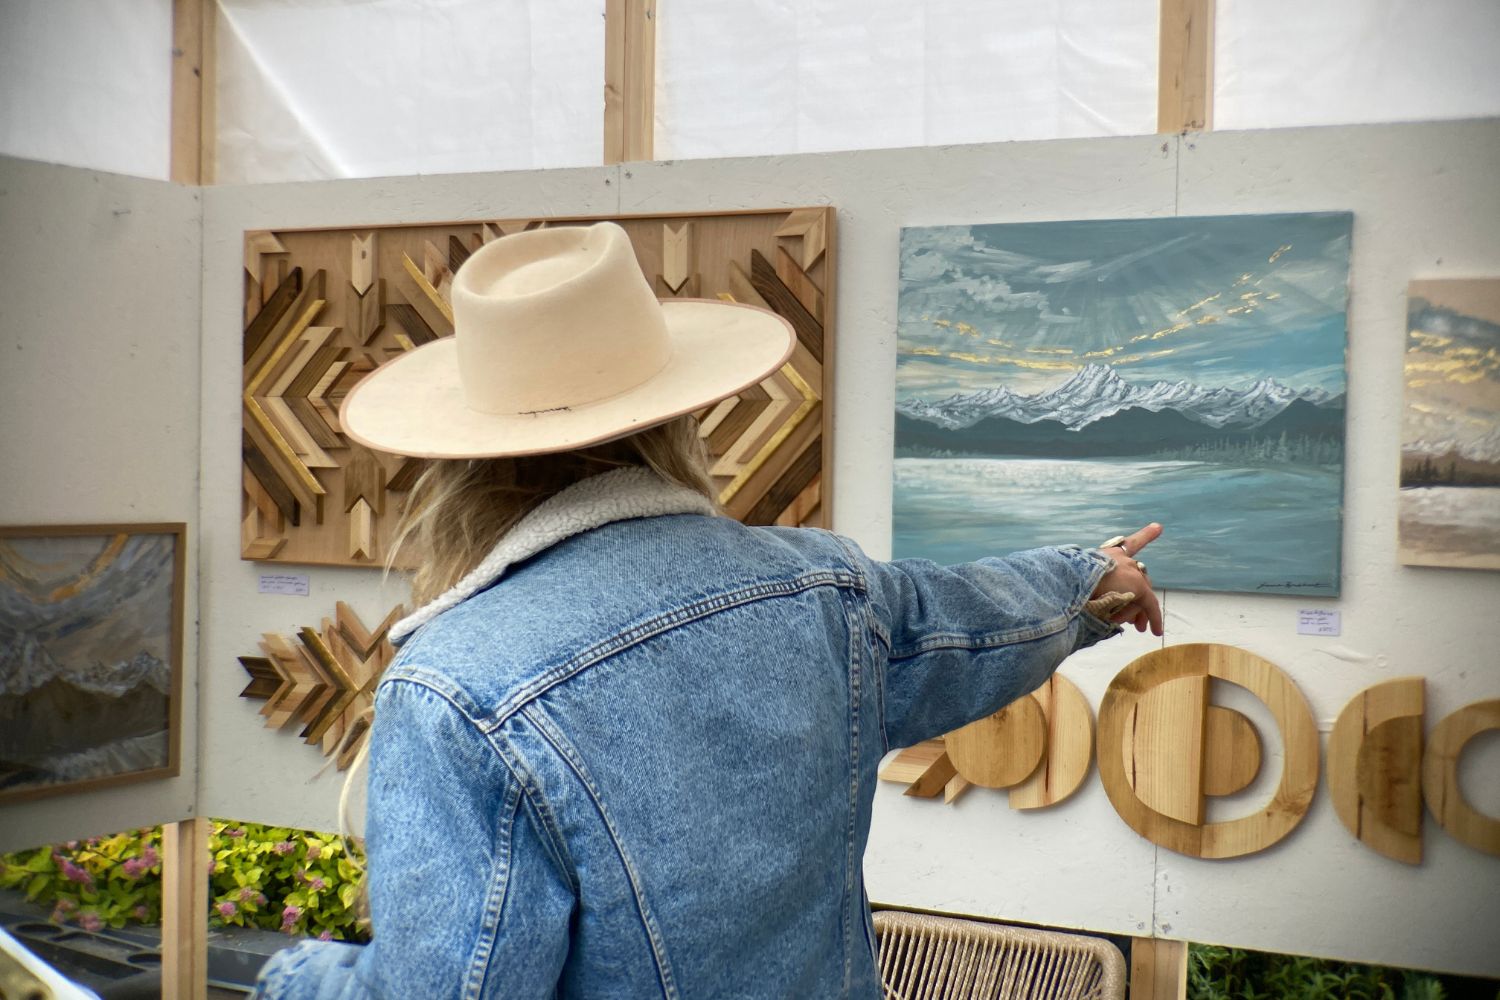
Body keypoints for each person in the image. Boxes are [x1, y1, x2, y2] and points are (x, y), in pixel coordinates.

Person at [252, 222, 1161, 1000]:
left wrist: (290, 977)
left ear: (463, 464)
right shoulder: (825, 591)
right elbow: (972, 618)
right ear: (676, 418)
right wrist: (1096, 577)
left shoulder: (460, 687)